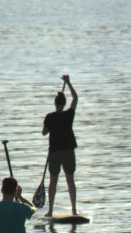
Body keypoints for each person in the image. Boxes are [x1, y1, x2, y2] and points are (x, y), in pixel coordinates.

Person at [42, 75, 79, 217]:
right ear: (64, 104)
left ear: (55, 103)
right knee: (70, 180)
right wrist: (68, 83)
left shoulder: (49, 117)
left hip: (54, 153)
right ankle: (74, 209)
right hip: (68, 151)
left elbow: (44, 133)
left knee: (53, 182)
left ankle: (50, 210)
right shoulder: (69, 114)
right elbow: (75, 99)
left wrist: (51, 126)